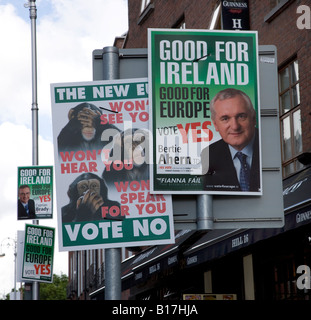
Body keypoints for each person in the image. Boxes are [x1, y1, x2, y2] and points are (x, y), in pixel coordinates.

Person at [201, 88, 260, 192]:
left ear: (253, 118)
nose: (235, 126)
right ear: (215, 124)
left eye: (241, 116)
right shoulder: (208, 155)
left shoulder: (269, 144)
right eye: (225, 119)